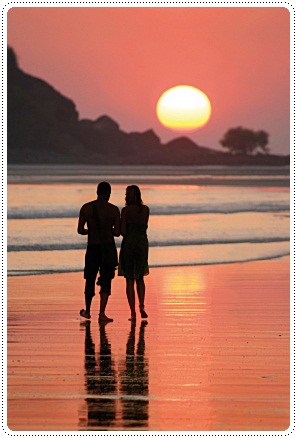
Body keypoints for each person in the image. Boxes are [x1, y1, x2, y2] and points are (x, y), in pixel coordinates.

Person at [78, 181, 120, 322]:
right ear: (108, 193)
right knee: (106, 279)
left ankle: (88, 311)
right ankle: (102, 313)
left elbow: (80, 230)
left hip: (93, 247)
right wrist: (107, 229)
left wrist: (91, 231)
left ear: (97, 192)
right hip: (108, 248)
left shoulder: (86, 208)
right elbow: (117, 232)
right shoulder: (114, 210)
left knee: (90, 278)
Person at [118, 185, 149, 321]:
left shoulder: (125, 211)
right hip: (142, 244)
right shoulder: (145, 210)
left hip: (129, 244)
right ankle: (142, 305)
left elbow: (123, 232)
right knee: (140, 277)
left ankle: (133, 312)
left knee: (129, 280)